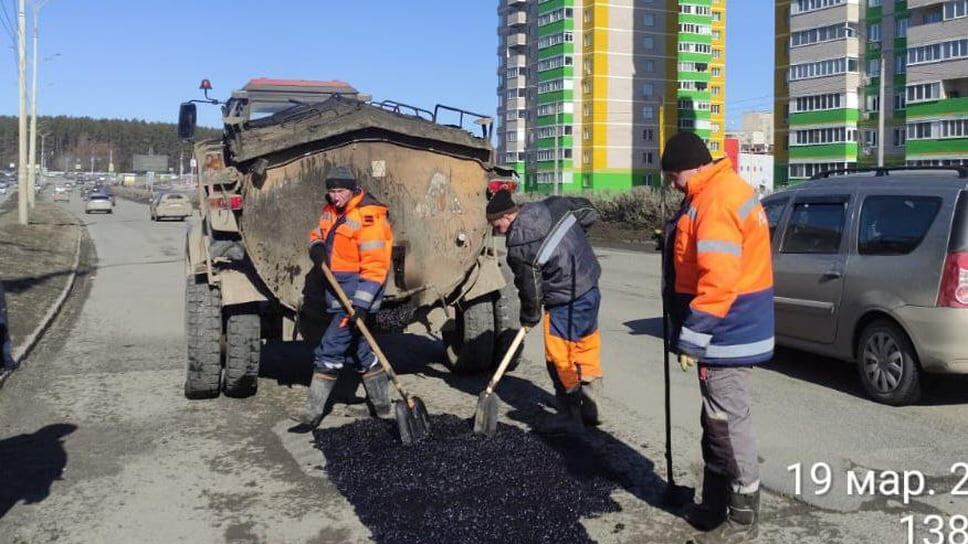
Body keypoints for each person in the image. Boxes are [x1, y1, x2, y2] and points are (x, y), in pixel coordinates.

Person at [660, 132, 774, 544]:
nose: (673, 183)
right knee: (715, 418)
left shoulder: (717, 200)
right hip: (726, 327)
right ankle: (713, 503)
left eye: (674, 176)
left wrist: (692, 336)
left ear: (691, 166)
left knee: (726, 421)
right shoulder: (712, 192)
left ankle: (743, 516)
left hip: (728, 329)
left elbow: (720, 280)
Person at [486, 189, 602, 434]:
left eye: (496, 225)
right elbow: (589, 212)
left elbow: (531, 289)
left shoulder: (519, 244)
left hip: (563, 300)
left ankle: (570, 414)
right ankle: (593, 407)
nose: (498, 231)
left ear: (507, 217)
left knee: (559, 358)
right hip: (590, 286)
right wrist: (578, 239)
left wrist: (530, 317)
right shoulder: (554, 205)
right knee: (586, 344)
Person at [296, 166, 394, 429]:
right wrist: (316, 246)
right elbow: (318, 232)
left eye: (339, 191)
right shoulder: (331, 210)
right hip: (338, 291)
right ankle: (383, 407)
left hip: (359, 293)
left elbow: (376, 267)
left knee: (331, 349)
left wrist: (361, 306)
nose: (335, 196)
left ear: (352, 190)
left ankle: (312, 413)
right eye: (331, 191)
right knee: (362, 350)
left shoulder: (369, 217)